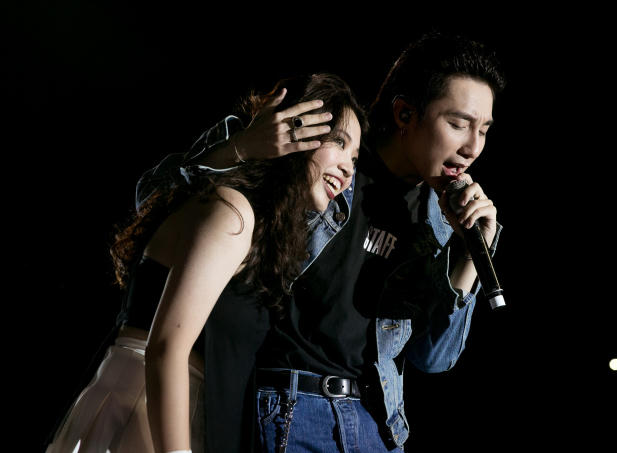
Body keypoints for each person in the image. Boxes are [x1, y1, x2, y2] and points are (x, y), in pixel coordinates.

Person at [138, 31, 506, 452]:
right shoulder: (322, 149)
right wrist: (240, 147)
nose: (473, 147)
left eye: (484, 130)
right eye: (458, 124)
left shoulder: (440, 219)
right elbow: (153, 203)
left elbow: (433, 359)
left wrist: (470, 255)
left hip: (378, 425)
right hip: (289, 407)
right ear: (405, 113)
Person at [46, 73, 366, 453]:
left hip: (163, 407)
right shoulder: (232, 211)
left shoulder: (245, 217)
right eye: (339, 142)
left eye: (355, 157)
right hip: (147, 410)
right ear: (294, 129)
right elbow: (166, 349)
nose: (348, 169)